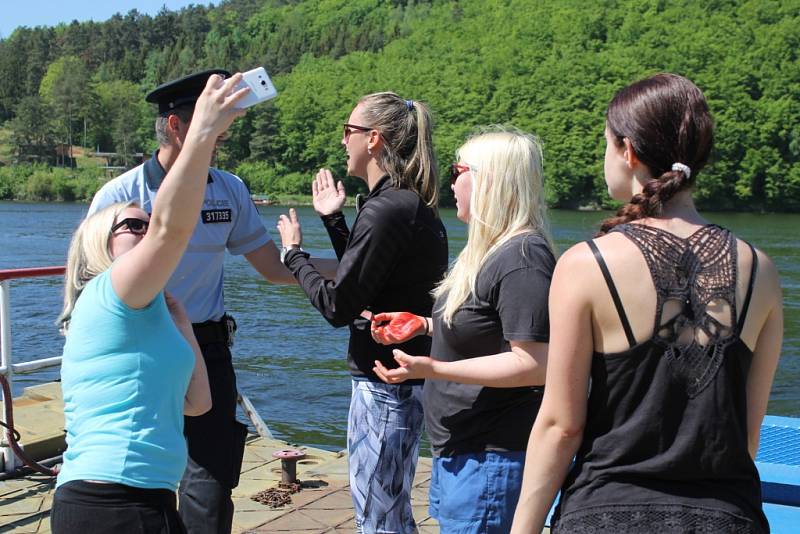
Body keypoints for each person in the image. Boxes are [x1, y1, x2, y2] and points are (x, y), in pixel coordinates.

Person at [510, 73, 783, 534]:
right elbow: (746, 438)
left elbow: (561, 426)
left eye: (605, 144)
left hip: (606, 514)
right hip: (728, 518)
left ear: (628, 151)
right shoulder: (761, 271)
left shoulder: (586, 265)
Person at [86, 69, 334, 534]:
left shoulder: (229, 189)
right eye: (215, 127)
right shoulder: (122, 197)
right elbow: (92, 286)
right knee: (142, 472)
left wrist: (349, 269)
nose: (221, 140)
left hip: (208, 345)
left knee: (212, 481)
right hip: (140, 347)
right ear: (179, 126)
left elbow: (272, 268)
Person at [52, 73, 247, 533]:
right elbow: (170, 231)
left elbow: (198, 403)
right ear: (100, 245)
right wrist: (203, 131)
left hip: (147, 500)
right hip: (107, 502)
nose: (145, 230)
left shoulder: (153, 311)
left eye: (146, 225)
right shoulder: (108, 294)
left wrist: (181, 319)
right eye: (132, 226)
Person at [276, 92, 449, 533]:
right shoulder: (408, 204)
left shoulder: (388, 209)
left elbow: (338, 305)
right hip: (401, 382)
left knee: (377, 520)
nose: (342, 141)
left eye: (348, 131)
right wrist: (335, 222)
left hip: (383, 388)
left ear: (373, 139)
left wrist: (294, 255)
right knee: (391, 512)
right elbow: (369, 279)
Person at [371, 128, 555, 533]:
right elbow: (489, 328)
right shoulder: (492, 251)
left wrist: (432, 369)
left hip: (492, 460)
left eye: (458, 170)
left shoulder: (522, 257)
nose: (451, 182)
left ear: (490, 178)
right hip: (465, 454)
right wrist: (423, 325)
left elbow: (534, 363)